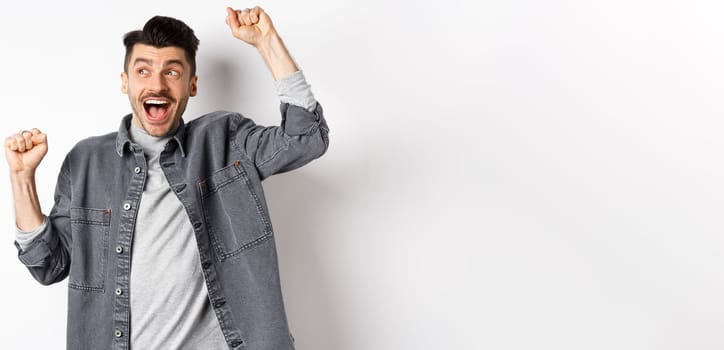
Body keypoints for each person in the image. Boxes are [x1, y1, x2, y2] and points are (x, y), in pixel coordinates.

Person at [4, 6, 328, 350]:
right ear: (124, 81)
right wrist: (22, 178)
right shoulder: (86, 162)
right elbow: (48, 265)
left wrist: (266, 42)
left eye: (172, 72)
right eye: (143, 71)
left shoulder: (225, 140)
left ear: (192, 84)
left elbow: (306, 138)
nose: (156, 84)